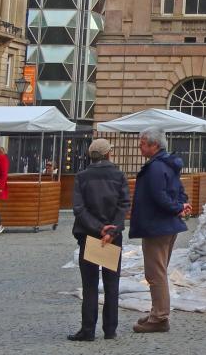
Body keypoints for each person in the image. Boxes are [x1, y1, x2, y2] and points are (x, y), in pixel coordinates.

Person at [128, 127, 192, 334]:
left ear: (155, 145)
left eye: (143, 143)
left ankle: (160, 317)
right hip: (166, 225)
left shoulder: (155, 167)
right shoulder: (168, 165)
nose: (140, 146)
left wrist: (177, 207)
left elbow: (159, 196)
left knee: (155, 273)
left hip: (156, 226)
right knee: (159, 271)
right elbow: (179, 192)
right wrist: (181, 206)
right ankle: (157, 311)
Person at [68, 138, 129, 342]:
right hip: (112, 237)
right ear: (108, 154)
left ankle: (88, 329)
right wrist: (112, 230)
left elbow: (79, 208)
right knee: (112, 284)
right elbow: (123, 205)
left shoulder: (82, 176)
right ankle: (110, 329)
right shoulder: (118, 175)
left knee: (90, 284)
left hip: (89, 235)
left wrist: (98, 228)